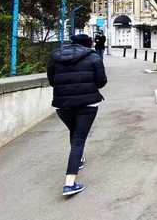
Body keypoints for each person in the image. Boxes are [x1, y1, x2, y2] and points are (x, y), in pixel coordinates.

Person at [47, 34, 107, 196]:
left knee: (74, 132)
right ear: (88, 44)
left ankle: (79, 159)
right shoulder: (94, 57)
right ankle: (69, 183)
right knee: (79, 139)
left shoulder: (55, 57)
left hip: (63, 105)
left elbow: (52, 81)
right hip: (87, 104)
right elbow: (101, 81)